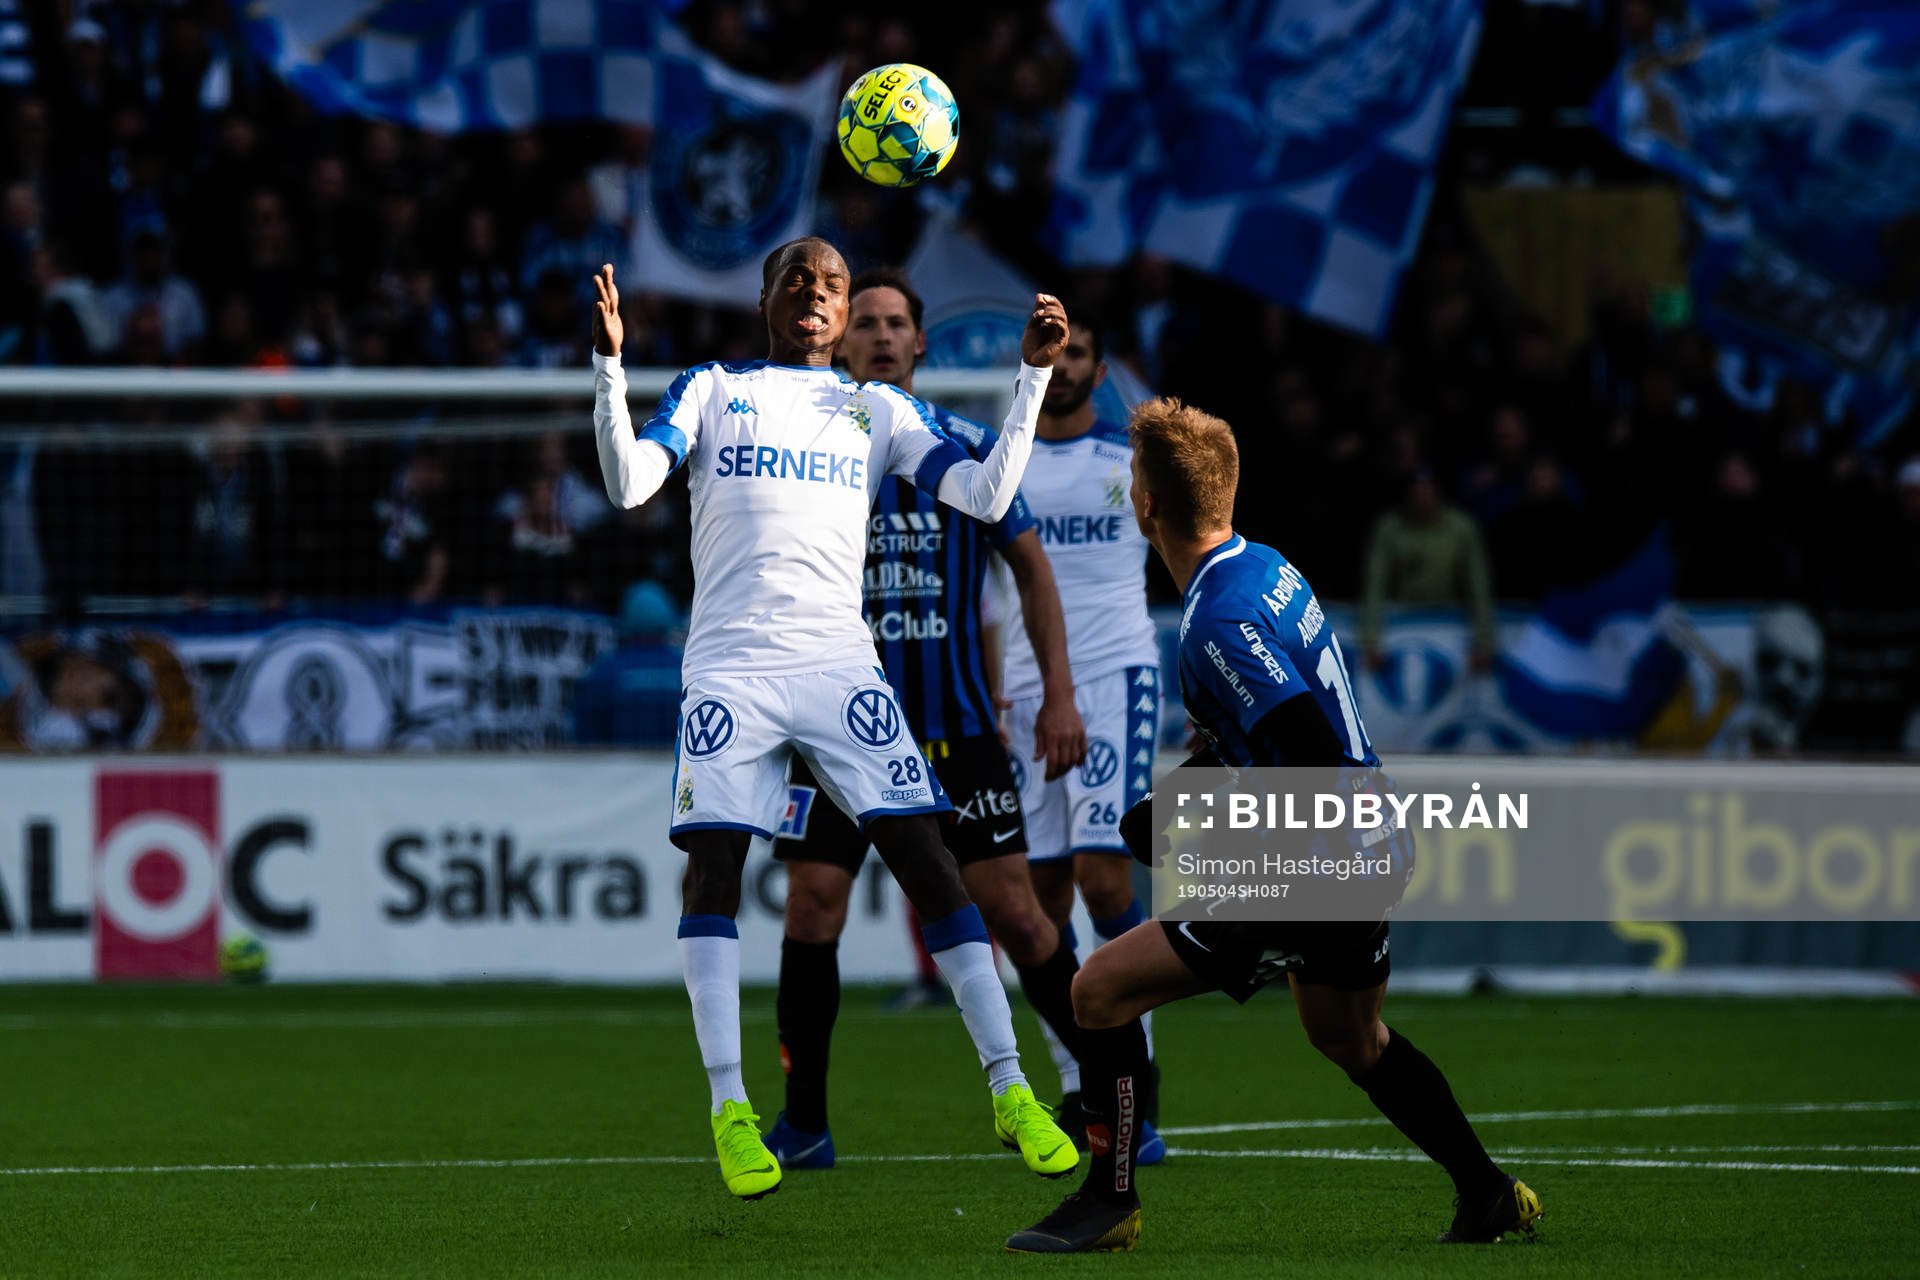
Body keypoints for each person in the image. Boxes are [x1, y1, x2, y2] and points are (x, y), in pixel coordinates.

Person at [588, 243, 1077, 1202]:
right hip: (730, 667)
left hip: (841, 668)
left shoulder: (876, 410)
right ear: (767, 297)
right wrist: (610, 367)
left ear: (849, 312)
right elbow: (629, 483)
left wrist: (1031, 377)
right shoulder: (715, 387)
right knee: (717, 868)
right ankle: (733, 1108)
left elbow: (983, 497)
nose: (816, 294)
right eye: (798, 281)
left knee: (935, 869)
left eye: (834, 286)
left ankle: (1011, 1087)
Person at [1006, 398, 1542, 1253]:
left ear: (1145, 505)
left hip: (1313, 865)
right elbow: (1277, 731)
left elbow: (1301, 749)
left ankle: (1108, 1203)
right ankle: (1486, 1193)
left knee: (1096, 991)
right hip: (1373, 846)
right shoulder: (1265, 567)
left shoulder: (1213, 621)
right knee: (1349, 1035)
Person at [764, 267, 1089, 1170]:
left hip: (954, 731)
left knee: (1017, 916)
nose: (876, 334)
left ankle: (1109, 1093)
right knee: (812, 904)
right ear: (840, 339)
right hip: (834, 725)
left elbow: (1030, 567)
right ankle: (804, 1122)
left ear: (918, 345)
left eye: (894, 322)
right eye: (861, 321)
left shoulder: (964, 444)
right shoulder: (806, 445)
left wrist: (1057, 691)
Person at [997, 311, 1165, 1160]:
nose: (1064, 368)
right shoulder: (1005, 463)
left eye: (1081, 354)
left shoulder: (1126, 465)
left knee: (1106, 883)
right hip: (1024, 696)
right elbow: (992, 590)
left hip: (1113, 682)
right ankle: (1080, 1081)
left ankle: (1143, 1086)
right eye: (1054, 355)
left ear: (1101, 371)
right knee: (1040, 906)